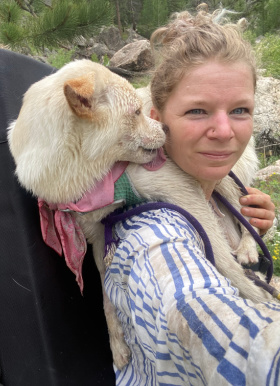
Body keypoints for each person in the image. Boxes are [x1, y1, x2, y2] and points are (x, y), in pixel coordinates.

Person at [104, 7, 279, 385]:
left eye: (239, 110)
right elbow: (201, 306)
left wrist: (248, 229)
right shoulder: (152, 235)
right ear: (156, 119)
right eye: (197, 110)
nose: (223, 130)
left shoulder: (218, 187)